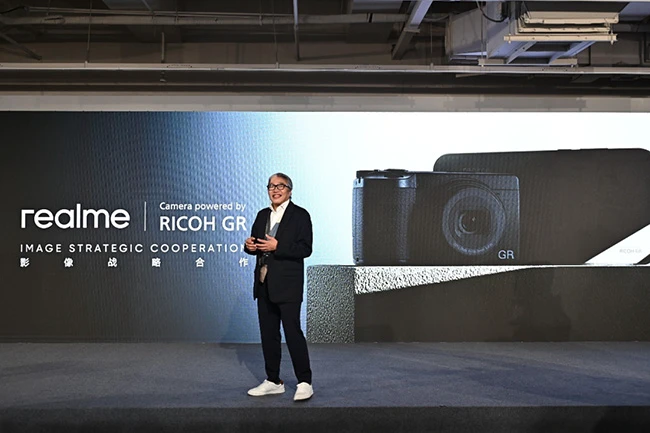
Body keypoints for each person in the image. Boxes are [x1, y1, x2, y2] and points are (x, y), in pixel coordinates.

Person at [244, 173, 314, 401]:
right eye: (271, 186)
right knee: (268, 334)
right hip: (264, 283)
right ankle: (273, 380)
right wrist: (249, 246)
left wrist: (278, 246)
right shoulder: (262, 215)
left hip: (288, 285)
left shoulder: (300, 215)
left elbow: (305, 249)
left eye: (280, 186)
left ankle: (305, 382)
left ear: (289, 190)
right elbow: (257, 244)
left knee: (293, 333)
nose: (275, 190)